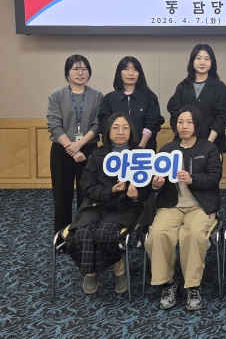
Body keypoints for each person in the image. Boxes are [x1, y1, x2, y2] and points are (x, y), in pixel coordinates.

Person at [145, 105, 222, 311]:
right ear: (175, 125)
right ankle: (168, 283)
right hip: (171, 205)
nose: (184, 126)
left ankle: (192, 286)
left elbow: (214, 178)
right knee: (157, 233)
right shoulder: (166, 150)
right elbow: (154, 183)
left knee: (193, 234)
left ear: (197, 125)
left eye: (189, 122)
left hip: (200, 205)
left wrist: (192, 179)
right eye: (180, 122)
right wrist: (156, 185)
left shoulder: (208, 149)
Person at [66, 112, 151, 295]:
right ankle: (92, 270)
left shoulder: (140, 155)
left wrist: (136, 195)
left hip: (125, 208)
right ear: (107, 131)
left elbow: (147, 190)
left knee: (104, 234)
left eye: (125, 128)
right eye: (116, 128)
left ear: (131, 131)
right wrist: (110, 190)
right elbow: (87, 186)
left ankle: (118, 267)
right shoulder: (97, 154)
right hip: (96, 206)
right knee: (81, 235)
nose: (121, 132)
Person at [47, 54, 103, 234]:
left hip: (88, 149)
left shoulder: (97, 95)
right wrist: (72, 148)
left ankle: (83, 234)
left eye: (84, 69)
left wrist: (79, 145)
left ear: (89, 72)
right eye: (75, 69)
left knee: (86, 194)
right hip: (62, 149)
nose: (80, 73)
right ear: (67, 72)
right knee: (62, 195)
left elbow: (98, 124)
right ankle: (61, 236)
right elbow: (54, 125)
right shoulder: (57, 95)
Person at [167, 44, 226, 155]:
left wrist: (208, 144)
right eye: (198, 58)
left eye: (207, 59)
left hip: (213, 144)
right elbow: (175, 113)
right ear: (192, 61)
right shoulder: (182, 87)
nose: (202, 62)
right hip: (185, 145)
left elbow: (222, 117)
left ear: (212, 62)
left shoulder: (219, 87)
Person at [98, 56, 164, 151]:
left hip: (144, 149)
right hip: (115, 150)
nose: (131, 73)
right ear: (119, 73)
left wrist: (140, 147)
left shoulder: (149, 98)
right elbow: (104, 125)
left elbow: (152, 123)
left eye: (135, 69)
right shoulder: (109, 98)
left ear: (139, 74)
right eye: (126, 69)